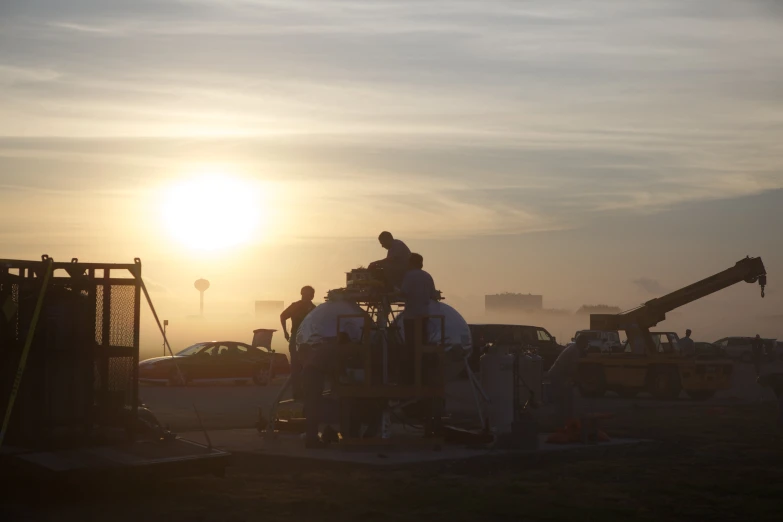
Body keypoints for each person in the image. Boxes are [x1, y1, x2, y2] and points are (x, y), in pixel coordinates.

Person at [280, 286, 316, 399]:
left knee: (304, 366)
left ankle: (303, 392)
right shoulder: (298, 306)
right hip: (299, 337)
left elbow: (283, 316)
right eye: (305, 294)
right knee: (298, 366)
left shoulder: (313, 308)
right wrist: (285, 332)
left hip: (306, 338)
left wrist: (285, 332)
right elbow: (283, 316)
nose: (307, 296)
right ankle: (298, 393)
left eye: (308, 294)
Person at [547, 334, 589, 426]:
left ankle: (564, 419)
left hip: (560, 374)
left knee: (565, 397)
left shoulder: (574, 348)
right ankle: (561, 421)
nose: (587, 345)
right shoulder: (574, 351)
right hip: (558, 374)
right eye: (586, 343)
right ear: (582, 342)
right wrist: (581, 382)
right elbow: (573, 370)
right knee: (563, 398)